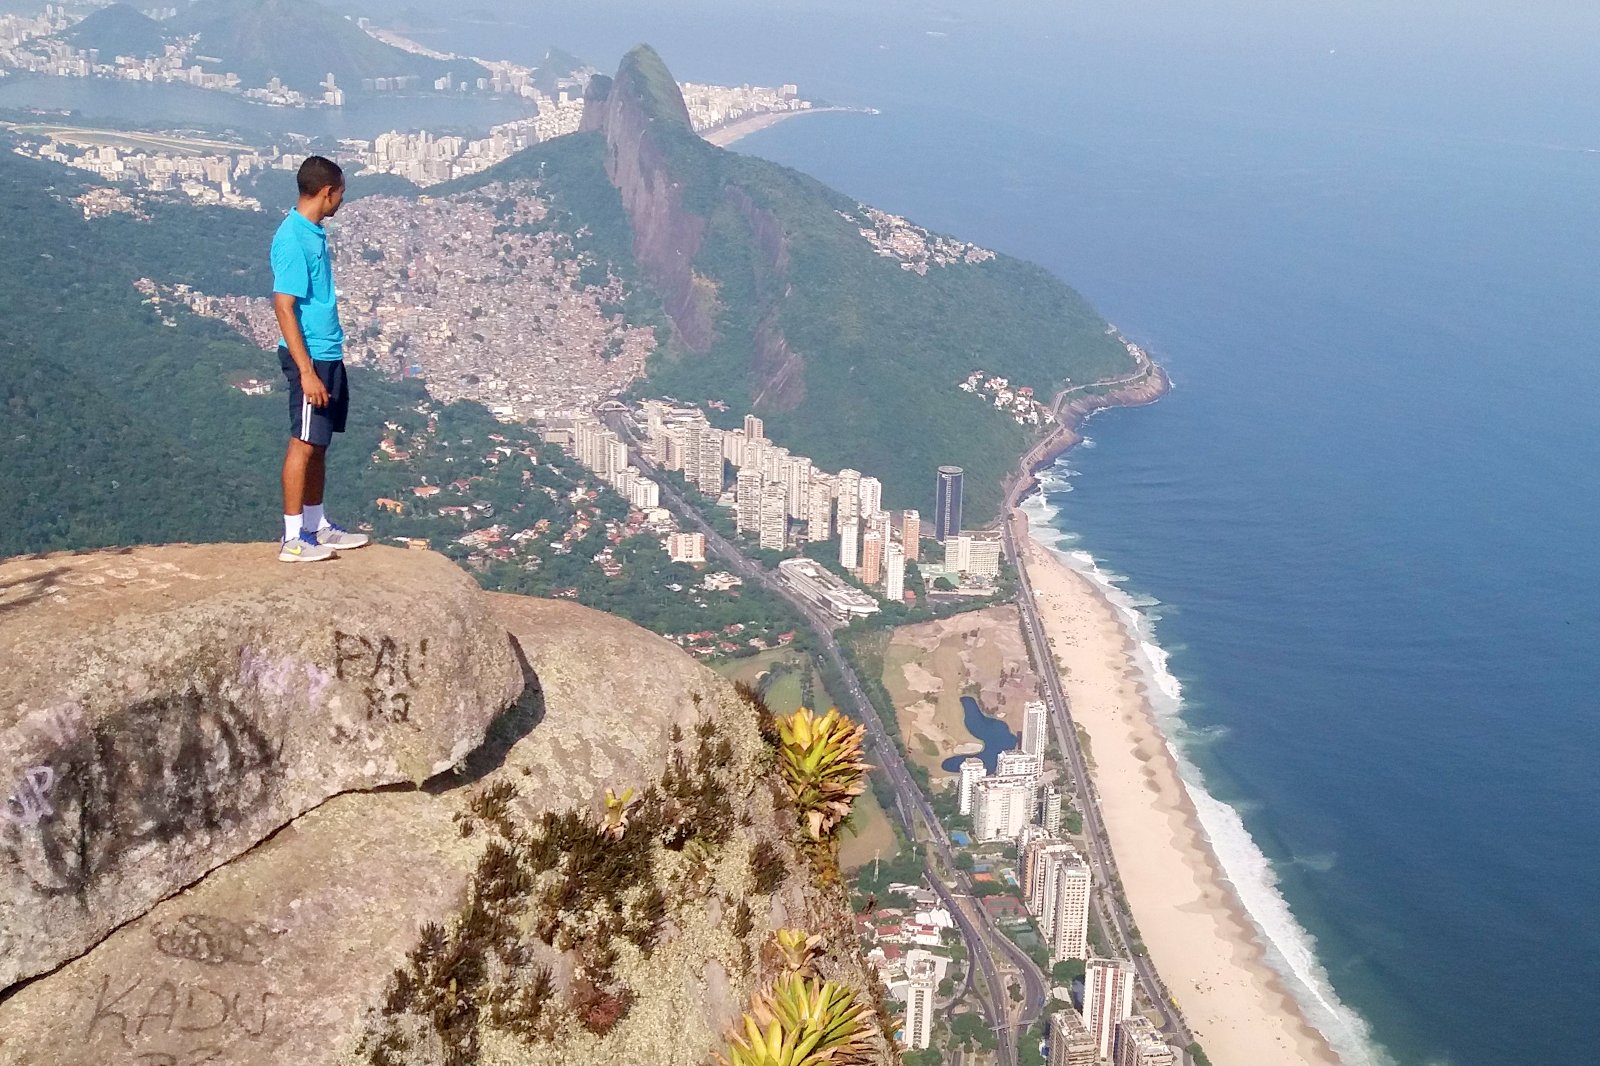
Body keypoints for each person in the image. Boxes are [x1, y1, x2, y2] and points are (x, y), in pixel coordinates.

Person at [272, 156, 368, 562]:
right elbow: (283, 306)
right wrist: (307, 371)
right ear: (327, 191)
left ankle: (316, 525)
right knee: (303, 442)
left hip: (327, 351)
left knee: (319, 443)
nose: (342, 200)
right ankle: (293, 538)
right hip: (309, 356)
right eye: (341, 192)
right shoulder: (294, 238)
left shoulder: (313, 231)